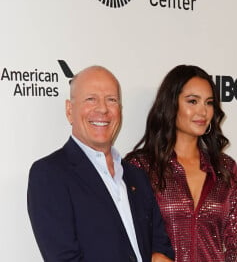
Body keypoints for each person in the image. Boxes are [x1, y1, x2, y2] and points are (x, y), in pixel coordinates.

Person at [27, 66, 174, 262]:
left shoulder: (136, 176)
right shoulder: (49, 174)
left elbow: (161, 245)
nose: (103, 109)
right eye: (91, 99)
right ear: (70, 111)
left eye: (111, 100)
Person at [125, 64, 237, 262]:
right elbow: (127, 236)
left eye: (209, 103)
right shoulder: (141, 166)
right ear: (171, 104)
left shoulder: (225, 168)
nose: (203, 111)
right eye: (193, 101)